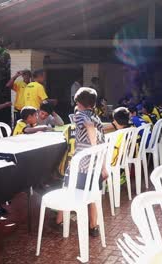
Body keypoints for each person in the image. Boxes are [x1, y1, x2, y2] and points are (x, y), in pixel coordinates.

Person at [55, 87, 107, 237]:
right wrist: (103, 167)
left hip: (81, 167)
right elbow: (102, 142)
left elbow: (88, 126)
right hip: (95, 167)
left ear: (78, 102)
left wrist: (92, 146)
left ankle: (59, 221)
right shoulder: (97, 118)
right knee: (93, 194)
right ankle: (93, 226)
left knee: (66, 187)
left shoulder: (79, 115)